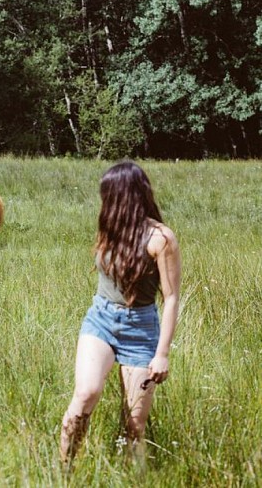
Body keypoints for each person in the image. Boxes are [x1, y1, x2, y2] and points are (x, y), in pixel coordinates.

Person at [59, 160, 181, 466]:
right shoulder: (109, 227)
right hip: (100, 320)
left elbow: (171, 297)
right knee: (86, 394)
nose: (104, 202)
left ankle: (131, 476)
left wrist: (162, 353)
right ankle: (64, 472)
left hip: (140, 330)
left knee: (134, 425)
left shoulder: (161, 239)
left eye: (108, 195)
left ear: (123, 196)